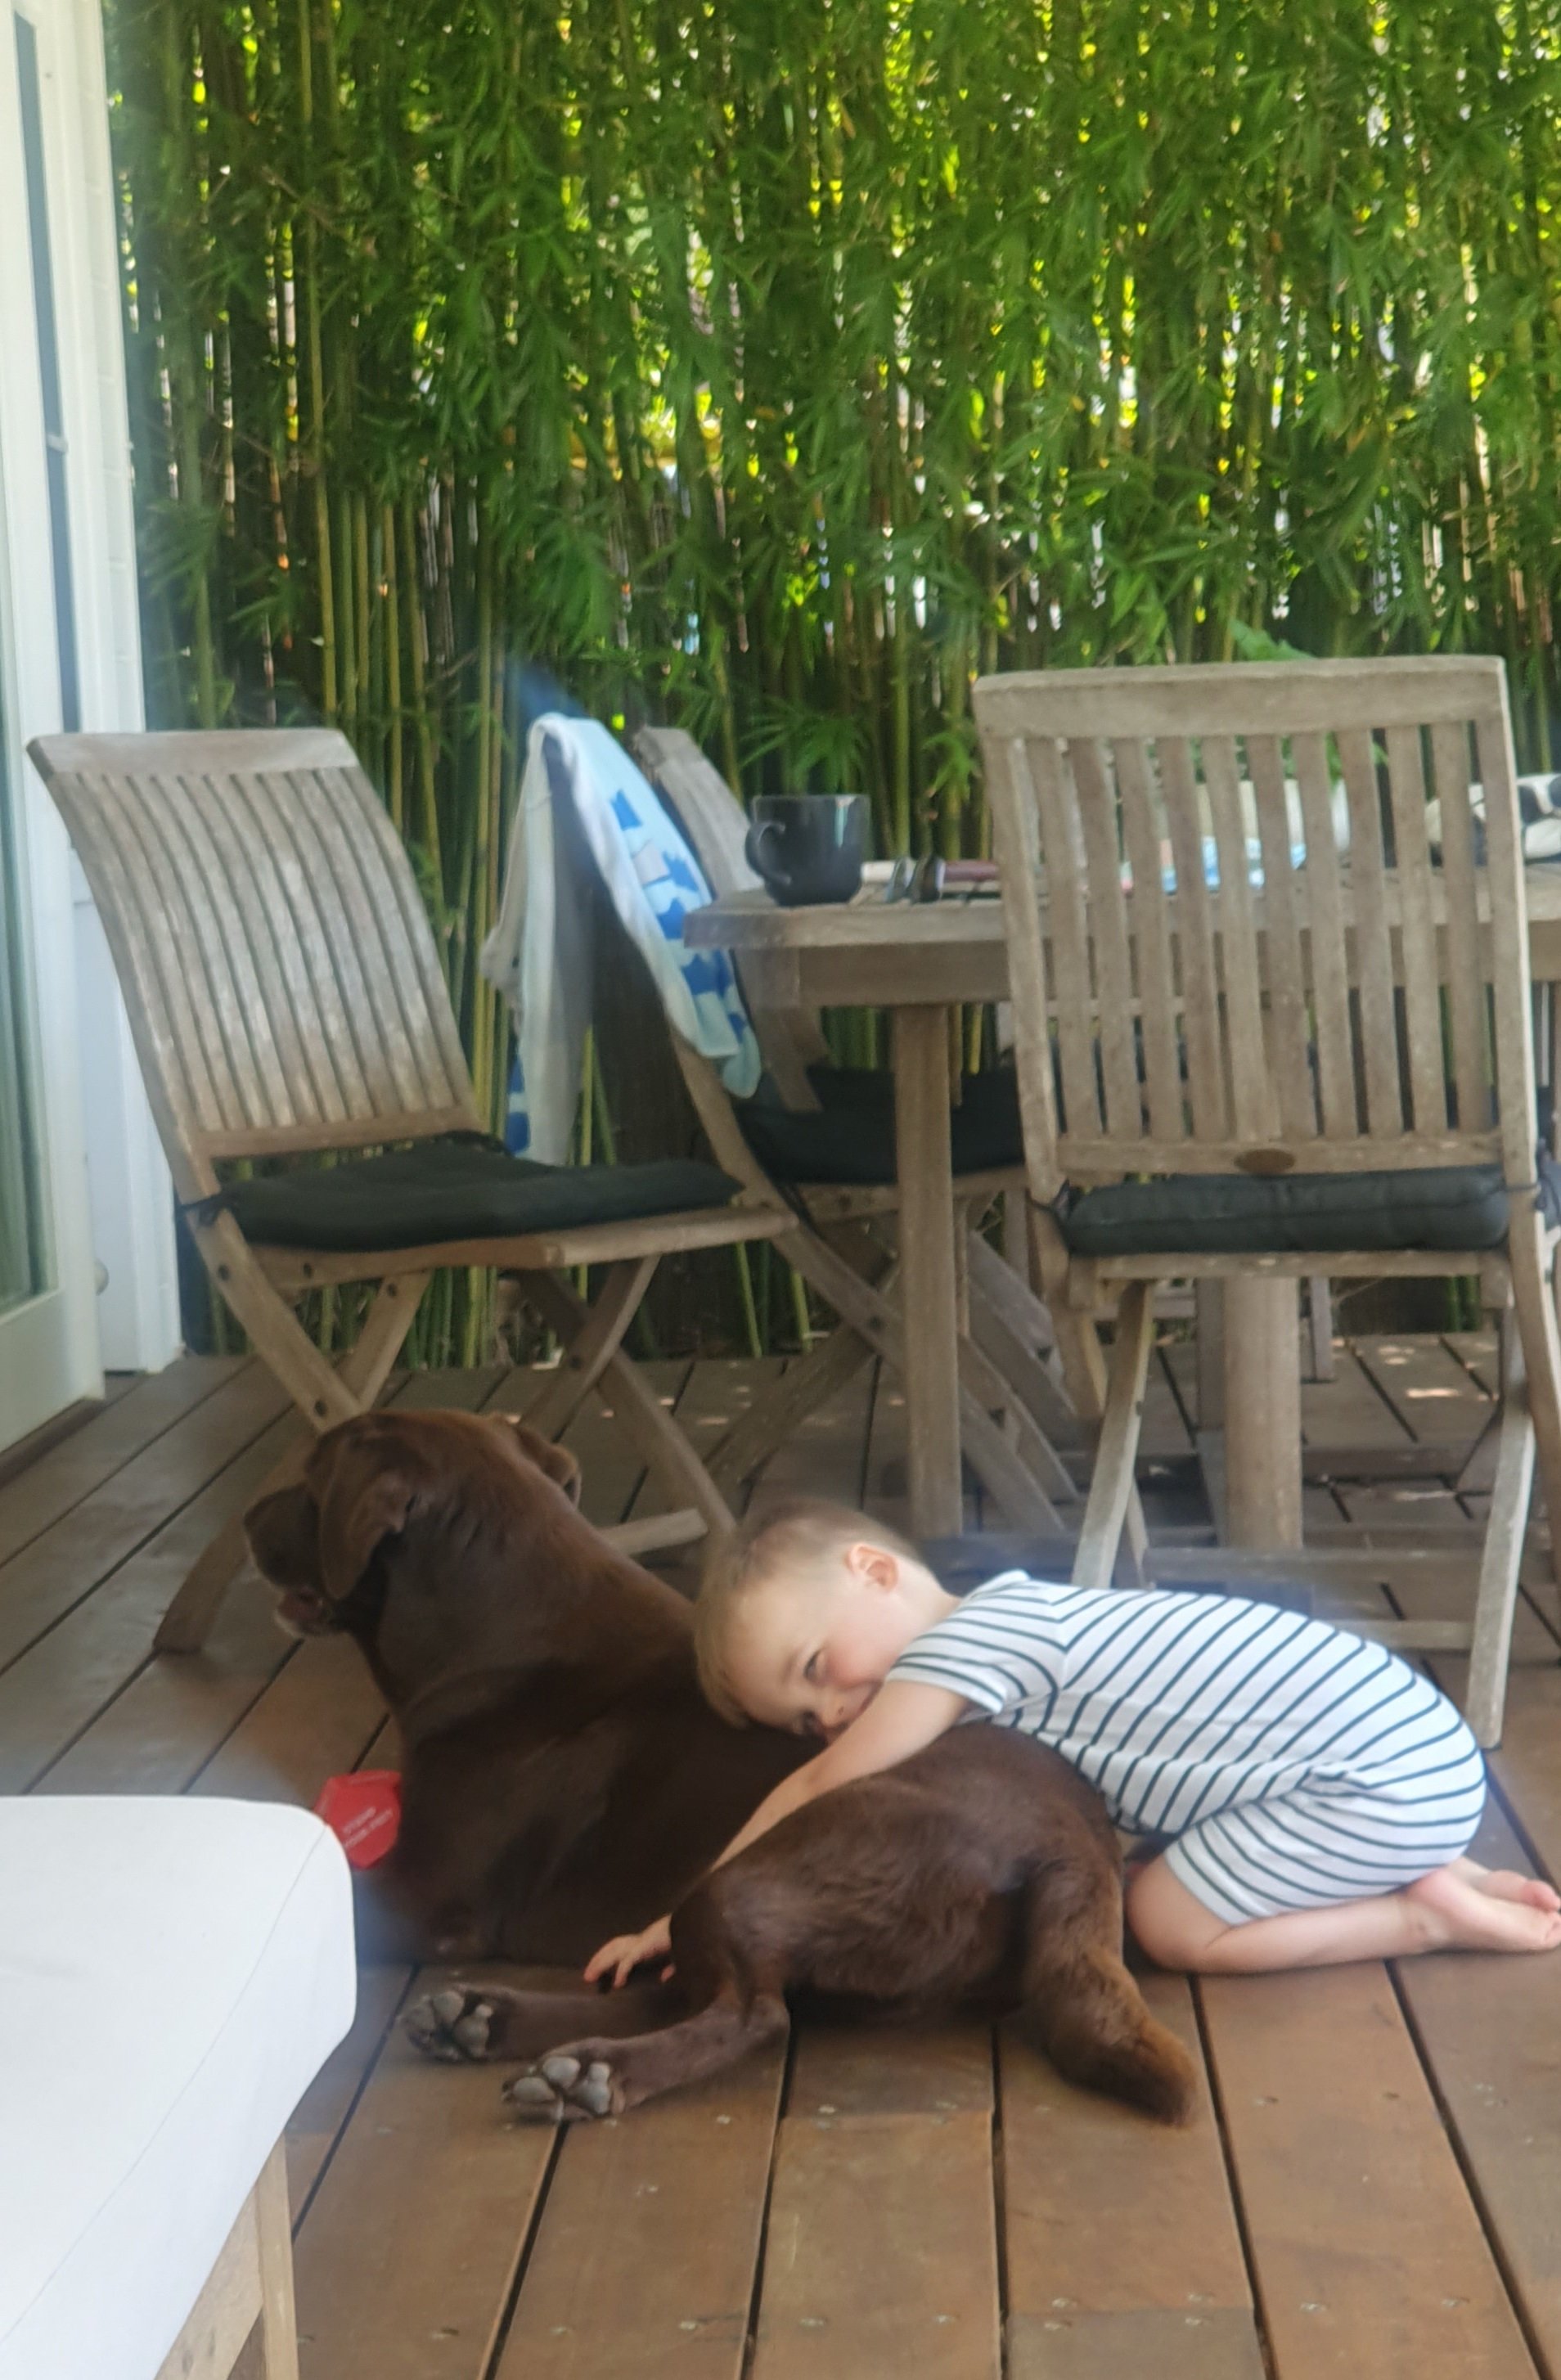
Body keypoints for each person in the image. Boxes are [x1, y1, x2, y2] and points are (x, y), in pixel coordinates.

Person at [585, 1499, 1561, 1989]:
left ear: (875, 1570)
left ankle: (1422, 1917)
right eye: (803, 1717)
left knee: (1167, 1920)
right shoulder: (1019, 1612)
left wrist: (683, 1913)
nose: (833, 1713)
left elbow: (820, 1788)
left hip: (1378, 1780)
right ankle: (1448, 1868)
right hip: (1406, 1746)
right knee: (1163, 1866)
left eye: (815, 1667)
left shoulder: (963, 1650)